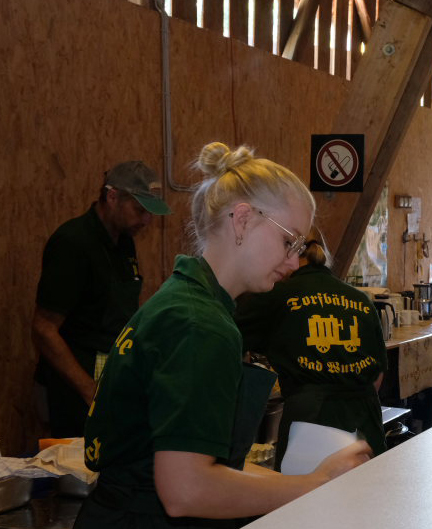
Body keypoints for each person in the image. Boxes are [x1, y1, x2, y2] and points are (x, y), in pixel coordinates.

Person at [75, 143, 371, 528]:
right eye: (289, 241)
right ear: (243, 220)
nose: (294, 261)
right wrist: (314, 486)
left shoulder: (186, 301)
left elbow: (197, 462)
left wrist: (312, 481)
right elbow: (186, 490)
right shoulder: (200, 324)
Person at [31, 161, 172, 438]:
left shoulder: (124, 241)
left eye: (150, 213)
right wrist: (89, 390)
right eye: (140, 210)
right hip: (74, 390)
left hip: (109, 378)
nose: (146, 221)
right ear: (112, 197)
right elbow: (43, 328)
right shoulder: (73, 243)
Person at [235, 226, 388, 469]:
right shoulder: (361, 299)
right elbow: (377, 375)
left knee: (307, 492)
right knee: (366, 490)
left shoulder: (275, 295)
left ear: (288, 252)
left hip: (310, 424)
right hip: (365, 423)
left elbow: (230, 342)